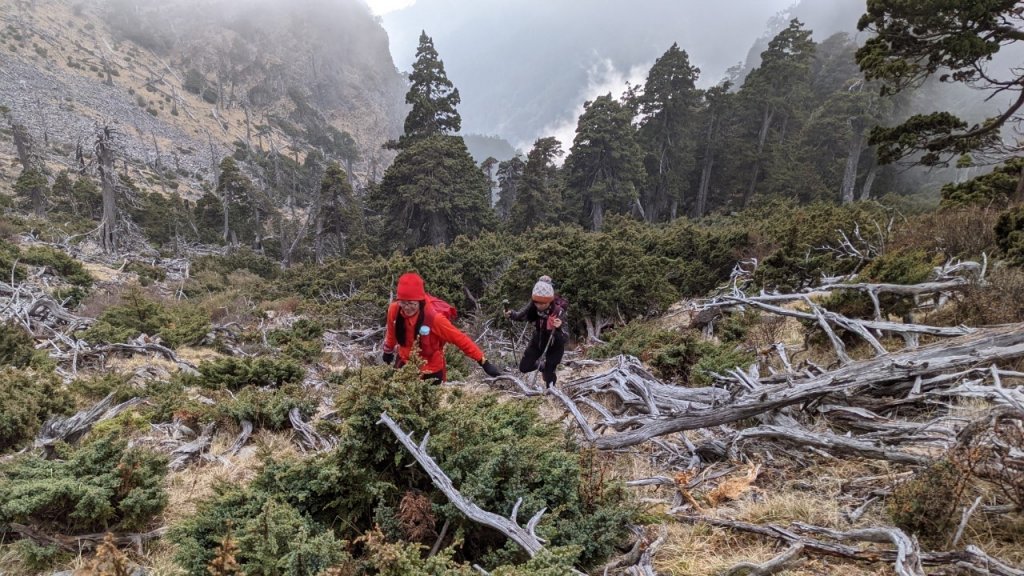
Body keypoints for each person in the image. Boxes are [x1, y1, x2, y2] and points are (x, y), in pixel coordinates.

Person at [382, 272, 501, 383]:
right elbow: (392, 331)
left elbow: (459, 339)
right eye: (403, 303)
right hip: (405, 363)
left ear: (420, 301)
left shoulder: (434, 319)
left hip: (431, 369)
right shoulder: (395, 309)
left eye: (411, 303)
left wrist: (483, 361)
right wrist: (388, 350)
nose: (406, 308)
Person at [505, 275, 567, 387]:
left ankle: (550, 393)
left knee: (549, 376)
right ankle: (542, 367)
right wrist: (511, 314)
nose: (539, 305)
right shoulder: (534, 304)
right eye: (537, 302)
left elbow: (565, 337)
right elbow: (520, 315)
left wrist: (559, 327)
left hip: (555, 345)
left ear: (550, 300)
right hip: (538, 339)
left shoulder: (559, 311)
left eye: (543, 303)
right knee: (524, 367)